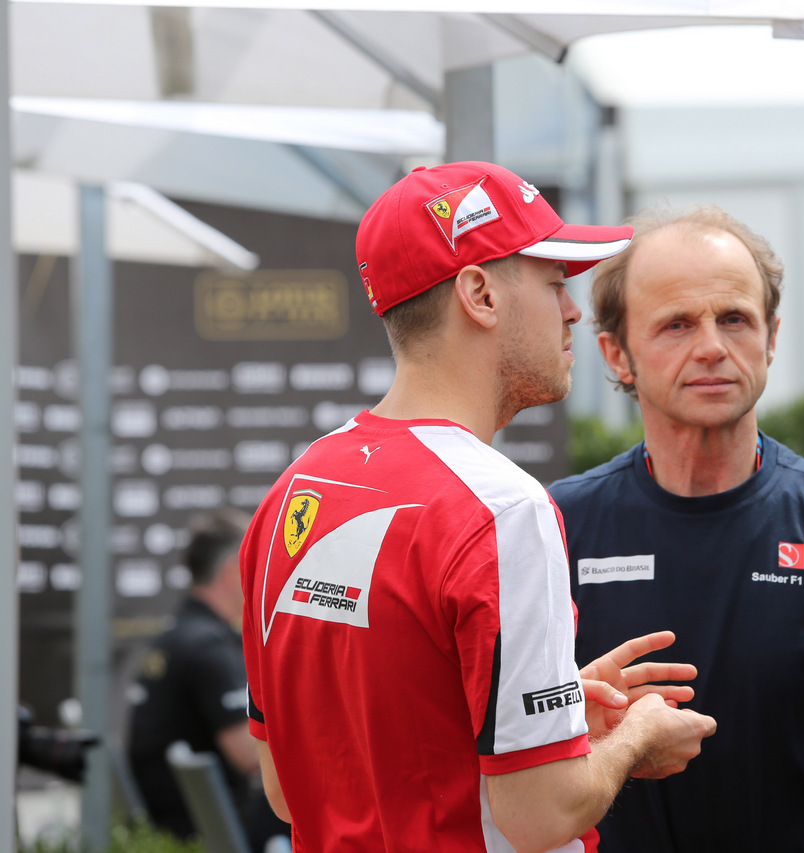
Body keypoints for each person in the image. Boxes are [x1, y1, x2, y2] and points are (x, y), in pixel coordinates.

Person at [239, 161, 717, 853]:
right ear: (480, 294)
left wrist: (547, 708)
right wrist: (636, 734)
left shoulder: (294, 490)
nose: (575, 310)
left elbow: (288, 784)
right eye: (555, 282)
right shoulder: (501, 508)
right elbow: (541, 814)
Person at [549, 205, 804, 852]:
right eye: (677, 324)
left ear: (770, 337)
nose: (712, 345)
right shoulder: (554, 527)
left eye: (735, 319)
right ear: (618, 353)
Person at [128, 509, 288, 849]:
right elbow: (248, 755)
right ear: (233, 571)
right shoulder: (206, 647)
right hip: (202, 830)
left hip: (175, 824)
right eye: (256, 560)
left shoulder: (180, 633)